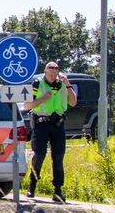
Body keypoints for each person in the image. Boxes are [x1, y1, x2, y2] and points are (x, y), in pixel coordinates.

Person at [24, 61, 77, 203]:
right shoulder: (36, 84)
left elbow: (73, 103)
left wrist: (68, 84)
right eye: (50, 72)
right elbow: (27, 105)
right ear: (45, 72)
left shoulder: (62, 85)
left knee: (58, 157)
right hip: (41, 124)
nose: (53, 75)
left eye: (56, 73)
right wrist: (42, 99)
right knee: (39, 155)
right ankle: (32, 185)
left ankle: (58, 190)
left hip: (57, 124)